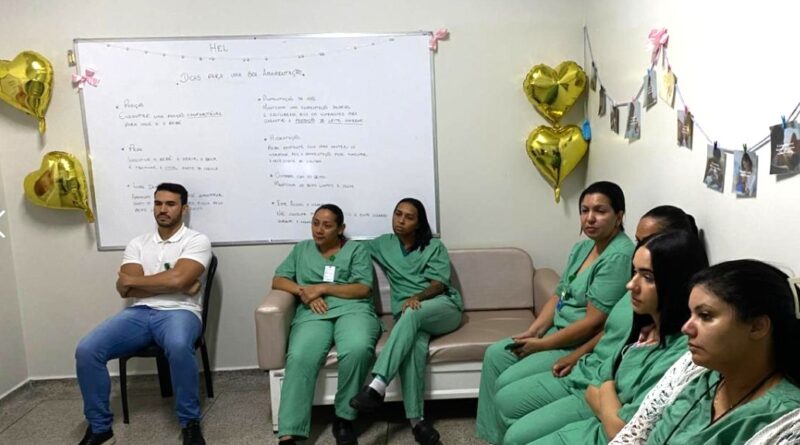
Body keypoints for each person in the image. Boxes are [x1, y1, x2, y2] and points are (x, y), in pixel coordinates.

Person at [488, 206, 702, 444]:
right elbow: (609, 337)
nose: (631, 284)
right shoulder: (644, 324)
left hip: (602, 402)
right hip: (591, 374)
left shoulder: (680, 348)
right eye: (584, 210)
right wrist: (572, 355)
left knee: (517, 434)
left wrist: (602, 387)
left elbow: (624, 425)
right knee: (506, 397)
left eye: (647, 276)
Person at [475, 181, 634, 444]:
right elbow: (558, 295)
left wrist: (542, 345)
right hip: (555, 331)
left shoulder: (619, 256)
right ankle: (493, 436)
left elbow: (594, 323)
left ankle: (513, 435)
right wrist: (534, 331)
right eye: (584, 210)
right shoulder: (583, 247)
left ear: (619, 217)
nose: (590, 218)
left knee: (508, 386)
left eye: (600, 211)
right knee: (496, 354)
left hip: (576, 342)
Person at [75, 183, 212, 445]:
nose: (163, 209)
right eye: (158, 203)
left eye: (170, 204)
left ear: (184, 208)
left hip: (182, 311)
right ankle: (100, 429)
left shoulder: (196, 241)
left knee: (178, 345)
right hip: (139, 312)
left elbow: (174, 280)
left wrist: (168, 282)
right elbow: (125, 289)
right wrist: (177, 283)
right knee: (87, 350)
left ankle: (190, 423)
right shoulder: (138, 243)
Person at [610, 260, 800, 444]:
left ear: (757, 327)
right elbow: (634, 434)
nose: (686, 328)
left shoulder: (788, 424)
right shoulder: (694, 372)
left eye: (705, 316)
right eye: (690, 314)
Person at [349, 198, 463, 445]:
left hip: (442, 308)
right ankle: (417, 422)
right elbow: (353, 249)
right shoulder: (384, 244)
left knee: (411, 313)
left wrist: (417, 297)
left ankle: (377, 385)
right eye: (397, 214)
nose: (400, 220)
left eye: (408, 217)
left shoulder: (434, 246)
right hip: (410, 317)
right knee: (413, 349)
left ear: (419, 223)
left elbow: (439, 284)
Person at [272, 204, 381, 445]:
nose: (319, 230)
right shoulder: (301, 249)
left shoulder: (356, 250)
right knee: (300, 355)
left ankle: (344, 418)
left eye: (327, 225)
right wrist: (305, 292)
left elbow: (363, 288)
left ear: (341, 228)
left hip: (353, 309)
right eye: (315, 223)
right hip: (313, 312)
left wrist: (322, 288)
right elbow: (279, 279)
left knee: (357, 348)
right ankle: (289, 430)